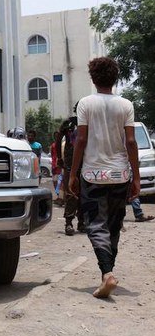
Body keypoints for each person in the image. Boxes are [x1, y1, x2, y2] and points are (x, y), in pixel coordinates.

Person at [69, 57, 139, 298]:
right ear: (115, 78)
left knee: (96, 224)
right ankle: (106, 273)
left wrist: (72, 174)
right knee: (113, 225)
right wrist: (136, 177)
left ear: (93, 78)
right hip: (120, 174)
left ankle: (107, 273)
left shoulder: (86, 104)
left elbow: (81, 140)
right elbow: (130, 142)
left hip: (93, 174)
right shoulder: (126, 105)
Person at [60, 117, 84, 235]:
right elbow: (59, 138)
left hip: (86, 163)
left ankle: (82, 222)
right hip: (70, 162)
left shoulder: (89, 121)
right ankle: (68, 223)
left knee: (84, 194)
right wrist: (59, 158)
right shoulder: (68, 123)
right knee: (71, 193)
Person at [51, 131, 64, 205]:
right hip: (54, 166)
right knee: (55, 181)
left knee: (60, 182)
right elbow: (53, 156)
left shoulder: (62, 144)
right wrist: (53, 165)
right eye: (55, 136)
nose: (57, 137)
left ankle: (61, 198)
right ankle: (58, 195)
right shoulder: (53, 145)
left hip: (60, 166)